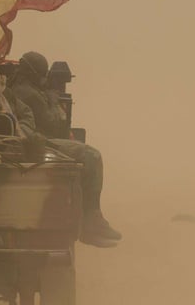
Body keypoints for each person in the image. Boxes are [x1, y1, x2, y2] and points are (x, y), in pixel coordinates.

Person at [10, 51, 122, 248]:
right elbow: (56, 124)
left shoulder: (21, 89)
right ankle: (91, 220)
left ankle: (90, 220)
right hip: (40, 140)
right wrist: (53, 101)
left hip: (35, 139)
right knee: (91, 156)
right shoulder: (28, 93)